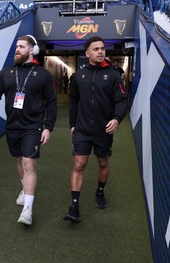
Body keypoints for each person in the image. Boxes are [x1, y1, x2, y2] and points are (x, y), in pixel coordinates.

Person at [0, 35, 57, 225]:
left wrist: (47, 127)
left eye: (22, 46)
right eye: (16, 46)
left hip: (32, 127)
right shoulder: (6, 72)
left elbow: (51, 102)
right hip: (12, 126)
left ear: (32, 51)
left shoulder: (42, 75)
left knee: (28, 164)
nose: (17, 49)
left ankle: (28, 210)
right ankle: (24, 189)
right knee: (19, 160)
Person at [63, 36, 127, 222]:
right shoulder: (79, 75)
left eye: (102, 49)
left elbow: (121, 101)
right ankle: (74, 207)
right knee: (79, 164)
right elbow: (74, 101)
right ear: (87, 53)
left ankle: (100, 192)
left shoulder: (113, 75)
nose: (101, 52)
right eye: (96, 49)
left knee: (103, 164)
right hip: (82, 130)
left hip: (103, 131)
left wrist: (116, 118)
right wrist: (72, 124)